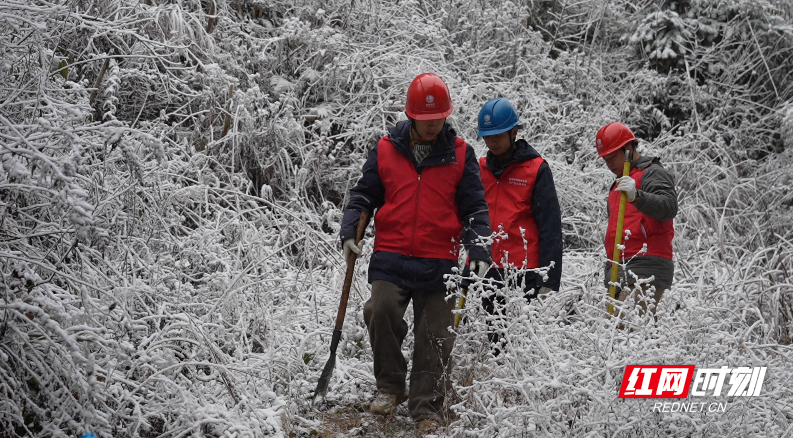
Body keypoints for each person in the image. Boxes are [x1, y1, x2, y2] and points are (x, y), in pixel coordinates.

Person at [339, 73, 491, 429]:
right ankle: (390, 387)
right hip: (391, 255)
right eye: (425, 118)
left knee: (436, 332)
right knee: (379, 311)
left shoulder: (461, 154)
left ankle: (427, 407)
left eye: (438, 117)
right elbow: (363, 196)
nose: (432, 124)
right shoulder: (385, 150)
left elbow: (474, 209)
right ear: (411, 116)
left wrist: (479, 247)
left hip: (439, 259)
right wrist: (349, 230)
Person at [473, 97, 563, 351]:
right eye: (487, 136)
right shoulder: (479, 169)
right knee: (495, 342)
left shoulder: (536, 169)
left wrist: (548, 277)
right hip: (488, 268)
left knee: (521, 344)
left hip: (525, 271)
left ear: (514, 132)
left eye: (498, 135)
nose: (492, 141)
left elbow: (550, 225)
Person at [596, 122, 677, 317]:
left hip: (646, 264)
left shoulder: (652, 172)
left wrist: (637, 197)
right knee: (614, 327)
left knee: (628, 324)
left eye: (612, 157)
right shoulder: (618, 185)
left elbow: (668, 206)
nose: (609, 164)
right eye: (605, 160)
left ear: (628, 149)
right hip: (620, 267)